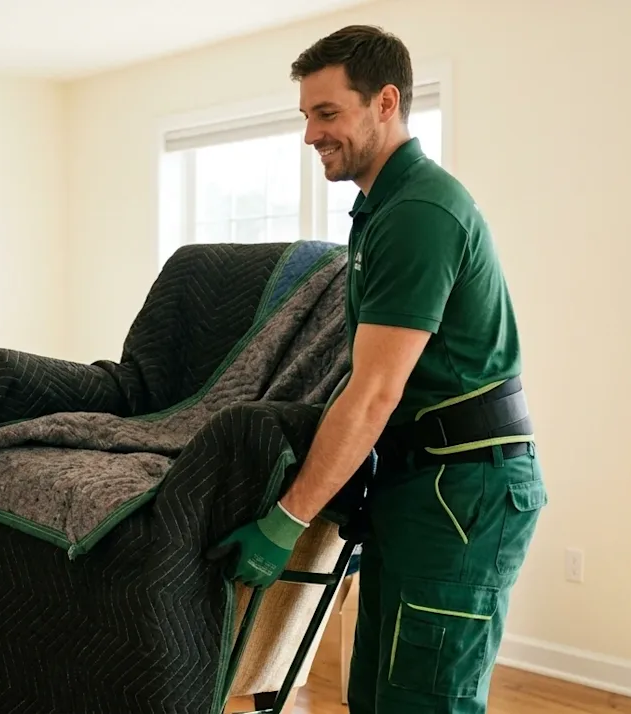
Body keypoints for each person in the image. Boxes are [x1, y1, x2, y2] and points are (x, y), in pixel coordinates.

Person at [208, 25, 547, 713]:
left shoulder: (420, 212)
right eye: (306, 115)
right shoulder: (382, 209)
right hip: (416, 482)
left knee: (423, 701)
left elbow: (372, 393)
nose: (310, 134)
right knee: (374, 696)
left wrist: (285, 522)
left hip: (461, 492)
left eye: (327, 113)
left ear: (385, 103)